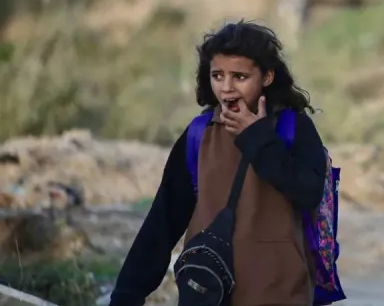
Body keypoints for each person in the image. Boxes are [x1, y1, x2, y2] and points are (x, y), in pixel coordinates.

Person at [110, 21, 329, 306]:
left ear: (266, 77)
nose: (226, 88)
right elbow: (163, 222)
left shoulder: (293, 128)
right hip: (208, 294)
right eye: (217, 75)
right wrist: (127, 295)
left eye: (239, 76)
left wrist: (258, 138)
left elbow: (308, 192)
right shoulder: (199, 134)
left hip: (279, 293)